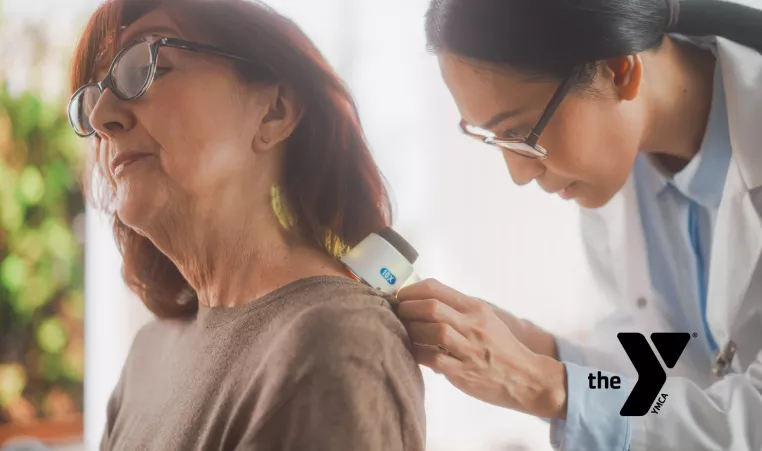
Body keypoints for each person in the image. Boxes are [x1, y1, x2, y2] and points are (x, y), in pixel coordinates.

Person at [397, 0, 762, 449]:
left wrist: (546, 386)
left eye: (520, 132)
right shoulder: (617, 182)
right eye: (492, 137)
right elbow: (663, 383)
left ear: (618, 70)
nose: (519, 174)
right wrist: (541, 350)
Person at [67, 0, 426, 449]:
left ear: (273, 111)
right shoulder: (151, 351)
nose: (102, 118)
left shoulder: (338, 344)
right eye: (93, 97)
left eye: (147, 67)